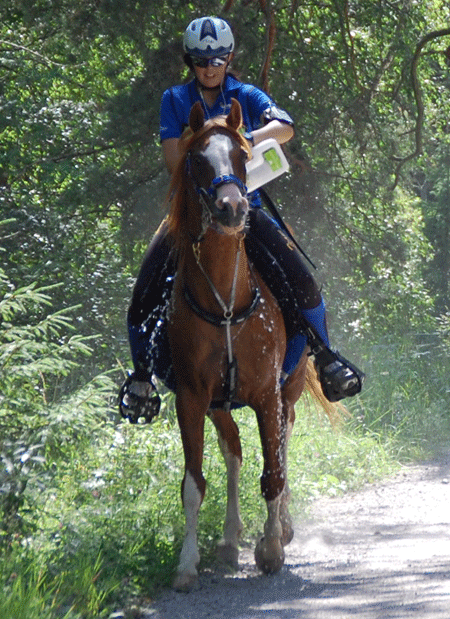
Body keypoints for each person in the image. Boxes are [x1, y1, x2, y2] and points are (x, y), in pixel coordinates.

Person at [119, 16, 364, 422]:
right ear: (190, 61)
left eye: (217, 59)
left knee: (299, 276)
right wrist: (210, 144)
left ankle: (325, 355)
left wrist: (245, 139)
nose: (210, 67)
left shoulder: (245, 94)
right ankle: (143, 377)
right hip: (194, 214)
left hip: (246, 208)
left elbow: (284, 128)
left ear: (229, 58)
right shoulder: (175, 99)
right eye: (201, 60)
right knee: (144, 288)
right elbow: (171, 161)